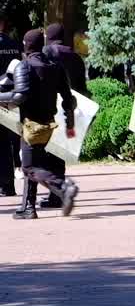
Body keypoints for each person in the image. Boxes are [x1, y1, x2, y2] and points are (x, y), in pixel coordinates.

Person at [0, 29, 79, 219]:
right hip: (48, 124)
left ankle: (62, 187)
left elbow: (20, 96)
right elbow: (69, 99)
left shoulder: (24, 66)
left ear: (26, 46)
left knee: (28, 167)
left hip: (30, 125)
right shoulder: (54, 66)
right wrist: (70, 123)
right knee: (33, 162)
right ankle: (28, 207)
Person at [39, 23, 89, 210]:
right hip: (71, 109)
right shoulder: (76, 57)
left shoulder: (47, 52)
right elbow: (83, 88)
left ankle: (56, 191)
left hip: (51, 107)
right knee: (58, 152)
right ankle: (56, 196)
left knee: (40, 154)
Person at [0, 15, 21, 198]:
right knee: (9, 141)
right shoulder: (14, 44)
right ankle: (8, 186)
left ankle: (4, 185)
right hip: (12, 97)